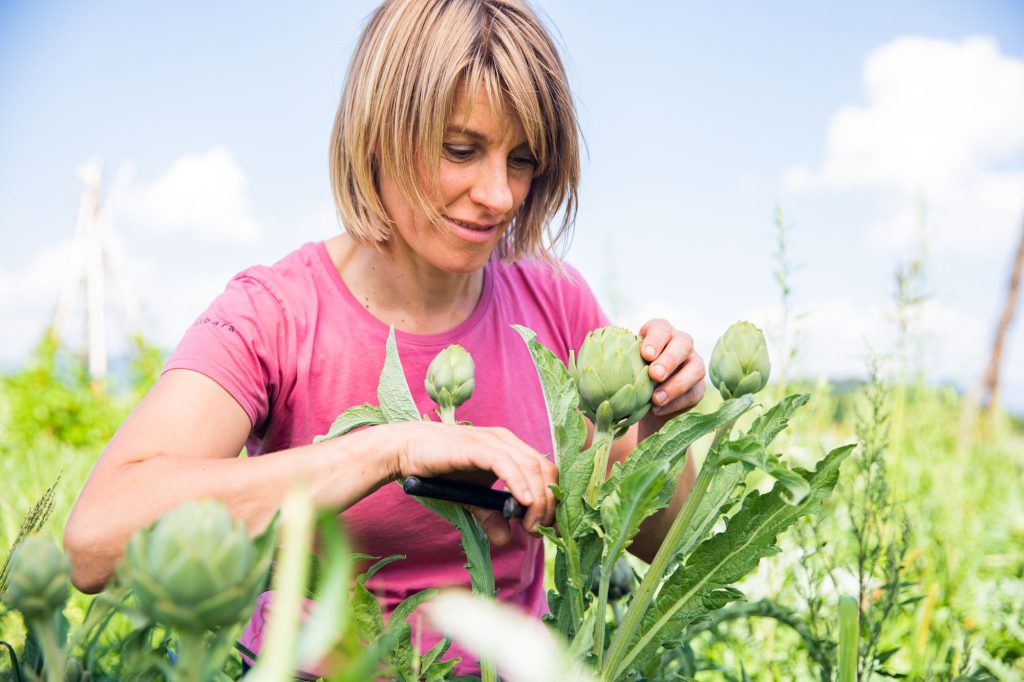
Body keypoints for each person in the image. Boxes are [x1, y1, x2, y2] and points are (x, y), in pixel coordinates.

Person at [64, 0, 707, 674]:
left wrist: (661, 431)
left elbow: (662, 542)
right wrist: (388, 448)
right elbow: (96, 541)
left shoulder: (553, 296)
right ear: (380, 130)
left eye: (522, 160)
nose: (498, 195)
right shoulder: (274, 312)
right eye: (461, 150)